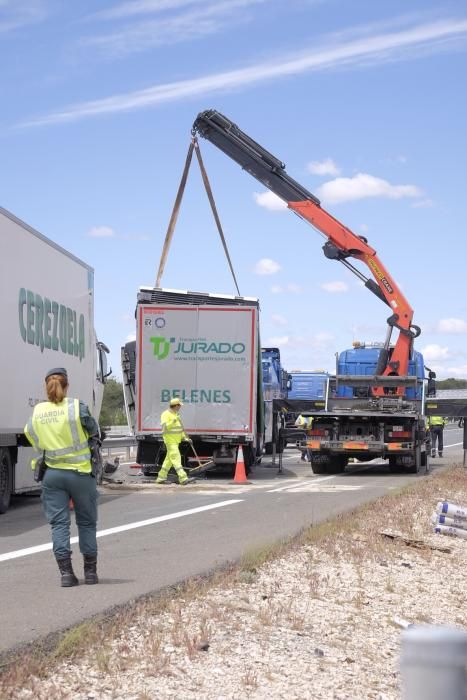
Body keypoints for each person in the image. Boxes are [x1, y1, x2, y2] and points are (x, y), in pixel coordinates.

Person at [24, 368, 100, 587]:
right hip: (80, 474)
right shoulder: (77, 406)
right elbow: (94, 432)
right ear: (66, 386)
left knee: (59, 525)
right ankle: (91, 573)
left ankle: (66, 574)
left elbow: (31, 434)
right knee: (86, 523)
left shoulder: (38, 411)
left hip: (52, 475)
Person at [157, 398, 194, 484]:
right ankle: (183, 478)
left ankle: (161, 478)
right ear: (176, 405)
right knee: (176, 459)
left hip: (176, 441)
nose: (180, 407)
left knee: (168, 461)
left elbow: (179, 429)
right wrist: (173, 421)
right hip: (170, 441)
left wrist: (185, 438)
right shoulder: (165, 414)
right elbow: (164, 429)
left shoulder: (176, 414)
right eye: (179, 405)